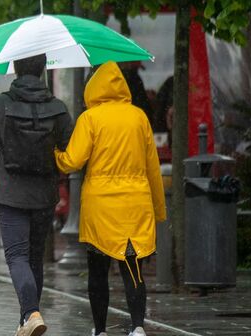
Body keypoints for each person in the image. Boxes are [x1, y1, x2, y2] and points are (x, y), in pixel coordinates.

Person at [54, 61, 165, 336]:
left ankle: (100, 329)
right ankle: (138, 327)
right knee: (132, 268)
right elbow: (153, 168)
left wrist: (56, 154)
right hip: (135, 206)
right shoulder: (138, 117)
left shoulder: (90, 118)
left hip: (100, 208)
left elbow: (73, 161)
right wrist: (159, 211)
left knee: (98, 272)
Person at [0, 54, 72, 336]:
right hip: (44, 193)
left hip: (10, 194)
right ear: (43, 69)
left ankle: (30, 313)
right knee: (34, 258)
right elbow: (70, 146)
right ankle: (27, 319)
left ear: (16, 69)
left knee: (17, 256)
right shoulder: (57, 107)